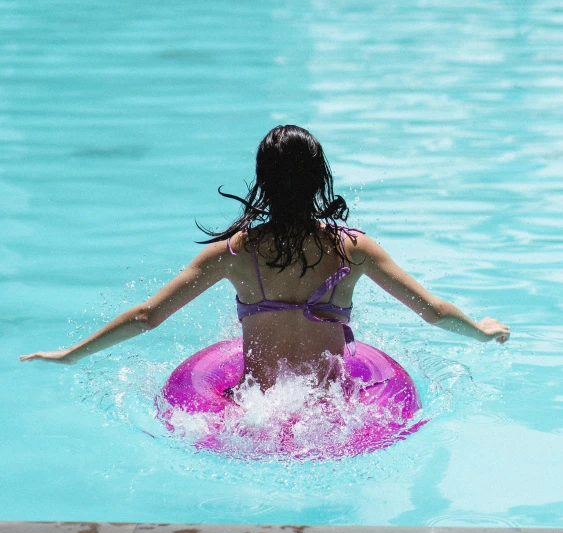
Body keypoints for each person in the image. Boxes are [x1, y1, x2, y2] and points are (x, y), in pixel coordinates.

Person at [20, 125, 510, 390]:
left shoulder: (235, 253)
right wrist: (482, 331)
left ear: (262, 181)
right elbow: (432, 311)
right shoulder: (352, 249)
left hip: (259, 402)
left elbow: (148, 316)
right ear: (321, 180)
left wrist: (71, 353)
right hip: (329, 405)